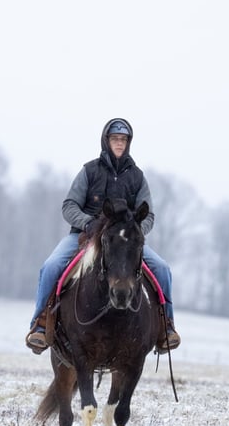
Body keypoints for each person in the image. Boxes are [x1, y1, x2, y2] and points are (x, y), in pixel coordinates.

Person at [25, 117, 181, 354]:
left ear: (129, 143)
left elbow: (148, 216)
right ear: (106, 141)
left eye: (123, 140)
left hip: (124, 243)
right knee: (51, 266)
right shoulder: (89, 171)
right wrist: (87, 223)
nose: (119, 143)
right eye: (115, 139)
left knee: (162, 269)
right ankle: (40, 324)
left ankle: (165, 329)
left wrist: (134, 233)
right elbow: (69, 206)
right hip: (84, 236)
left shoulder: (138, 177)